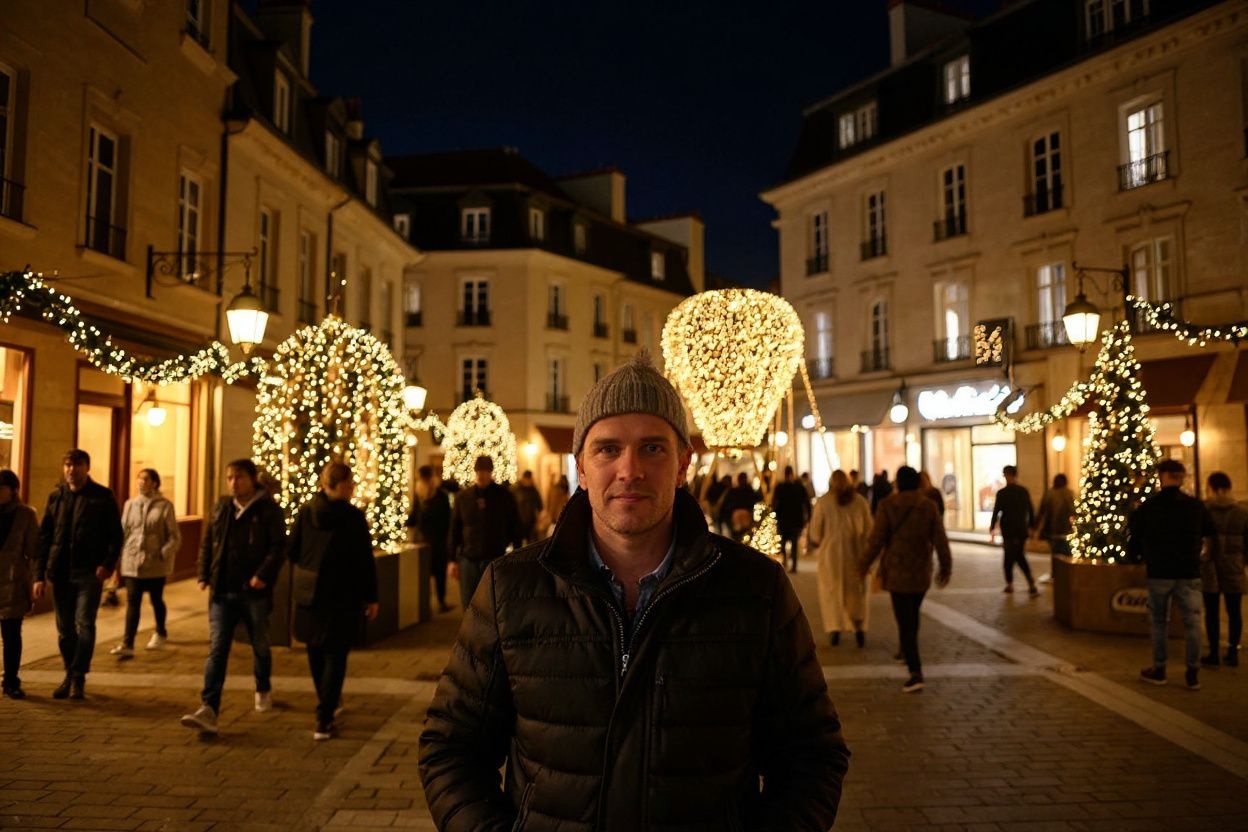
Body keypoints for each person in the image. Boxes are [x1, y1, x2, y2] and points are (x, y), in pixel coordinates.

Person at [419, 351, 850, 830]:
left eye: (652, 448)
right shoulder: (510, 589)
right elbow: (450, 748)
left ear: (683, 462)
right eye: (607, 449)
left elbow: (812, 756)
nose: (629, 470)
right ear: (580, 467)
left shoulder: (756, 590)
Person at [180, 459, 286, 735]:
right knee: (217, 649)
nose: (233, 482)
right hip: (222, 590)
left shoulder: (268, 510)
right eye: (229, 478)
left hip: (254, 592)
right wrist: (203, 572)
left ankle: (262, 686)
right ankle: (209, 707)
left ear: (252, 479)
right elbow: (208, 541)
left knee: (260, 644)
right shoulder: (222, 508)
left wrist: (262, 575)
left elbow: (277, 548)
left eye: (238, 477)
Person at [287, 462, 380, 740]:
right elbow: (365, 560)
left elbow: (292, 550)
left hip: (311, 593)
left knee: (315, 651)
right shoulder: (352, 517)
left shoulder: (306, 512)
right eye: (350, 484)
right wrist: (371, 597)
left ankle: (326, 706)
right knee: (336, 655)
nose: (352, 488)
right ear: (339, 485)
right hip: (343, 595)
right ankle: (324, 716)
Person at [33, 449, 123, 700]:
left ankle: (78, 675)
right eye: (68, 465)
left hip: (89, 572)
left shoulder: (102, 497)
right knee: (65, 629)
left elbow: (116, 535)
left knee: (84, 623)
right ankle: (70, 673)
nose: (72, 469)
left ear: (87, 467)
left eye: (78, 465)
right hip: (60, 571)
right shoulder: (56, 497)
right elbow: (45, 537)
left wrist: (107, 564)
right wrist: (39, 575)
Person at [860, 466, 952, 693]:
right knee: (912, 617)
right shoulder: (928, 506)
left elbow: (876, 540)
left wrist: (863, 565)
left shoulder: (887, 505)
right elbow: (940, 539)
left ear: (898, 483)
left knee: (905, 621)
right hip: (921, 572)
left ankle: (915, 671)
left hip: (897, 572)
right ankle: (910, 657)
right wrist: (945, 566)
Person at [1129, 459, 1217, 690]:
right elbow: (1210, 534)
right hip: (1189, 572)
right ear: (1181, 477)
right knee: (1192, 623)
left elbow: (1135, 537)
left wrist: (1138, 557)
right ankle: (1192, 673)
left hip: (1159, 572)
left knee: (1159, 622)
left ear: (1164, 477)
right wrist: (1201, 554)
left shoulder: (1149, 507)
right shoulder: (1196, 506)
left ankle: (1159, 669)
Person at [111, 468, 180, 658]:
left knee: (156, 599)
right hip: (132, 562)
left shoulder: (164, 506)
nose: (141, 482)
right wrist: (117, 558)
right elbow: (123, 532)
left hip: (155, 563)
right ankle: (128, 644)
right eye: (139, 479)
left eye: (146, 479)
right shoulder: (130, 504)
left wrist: (163, 552)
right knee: (133, 602)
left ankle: (160, 632)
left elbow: (174, 536)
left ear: (155, 483)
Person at [448, 455, 522, 610]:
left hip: (494, 556)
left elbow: (515, 525)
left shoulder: (504, 496)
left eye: (485, 471)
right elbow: (455, 528)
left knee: (492, 602)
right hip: (468, 558)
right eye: (479, 471)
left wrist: (516, 552)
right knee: (468, 602)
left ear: (491, 472)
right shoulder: (463, 497)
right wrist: (451, 560)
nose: (482, 475)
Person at [808, 469, 873, 647]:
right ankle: (859, 628)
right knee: (857, 594)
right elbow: (869, 529)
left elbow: (815, 533)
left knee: (832, 593)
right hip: (856, 555)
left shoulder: (824, 502)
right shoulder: (860, 502)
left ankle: (834, 628)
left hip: (830, 557)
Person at [1201, 471, 1246, 668]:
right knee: (1234, 611)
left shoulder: (1204, 510)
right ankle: (1232, 652)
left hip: (1210, 565)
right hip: (1234, 566)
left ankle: (1213, 653)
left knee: (1211, 612)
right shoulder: (1242, 512)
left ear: (1212, 487)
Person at [0, 470, 38, 699]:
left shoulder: (25, 515)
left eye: (2, 487)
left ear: (13, 490)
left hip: (12, 583)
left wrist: (33, 582)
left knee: (11, 636)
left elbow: (33, 550)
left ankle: (11, 681)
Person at [407, 465, 453, 612]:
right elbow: (414, 517)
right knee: (430, 574)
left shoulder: (439, 496)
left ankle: (436, 602)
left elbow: (447, 520)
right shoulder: (426, 496)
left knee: (435, 573)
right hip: (430, 541)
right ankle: (433, 603)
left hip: (433, 541)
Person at [989, 465, 1038, 596]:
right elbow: (1031, 510)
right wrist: (1032, 526)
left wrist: (992, 526)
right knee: (1014, 555)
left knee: (1014, 556)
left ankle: (1022, 583)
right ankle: (1020, 583)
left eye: (1006, 474)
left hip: (1010, 529)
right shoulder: (1023, 491)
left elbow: (996, 511)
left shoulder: (1003, 493)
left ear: (1007, 475)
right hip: (1020, 529)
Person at [772, 465, 812, 573]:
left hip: (783, 518)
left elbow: (774, 503)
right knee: (794, 543)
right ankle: (793, 564)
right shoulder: (798, 487)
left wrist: (775, 514)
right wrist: (808, 516)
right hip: (796, 518)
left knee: (784, 541)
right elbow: (806, 502)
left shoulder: (780, 487)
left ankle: (785, 561)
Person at [1035, 473, 1076, 556]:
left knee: (1055, 554)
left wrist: (1037, 527)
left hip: (1052, 530)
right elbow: (1073, 511)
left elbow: (1042, 512)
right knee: (1066, 554)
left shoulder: (1049, 494)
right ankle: (1066, 568)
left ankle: (1056, 568)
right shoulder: (1069, 494)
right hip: (1065, 529)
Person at [512, 470, 544, 545]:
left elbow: (539, 505)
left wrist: (538, 516)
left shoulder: (533, 490)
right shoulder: (516, 489)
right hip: (519, 521)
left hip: (531, 521)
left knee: (531, 543)